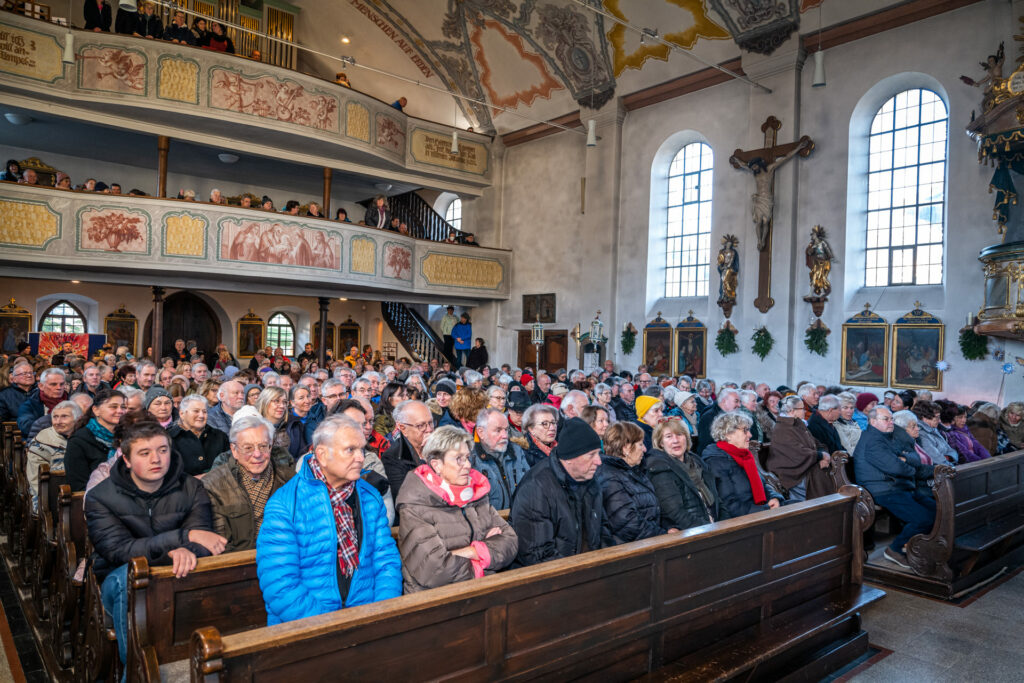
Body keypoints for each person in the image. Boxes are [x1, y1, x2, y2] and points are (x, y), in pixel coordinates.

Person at [86, 419, 223, 669]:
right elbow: (118, 551)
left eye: (162, 450)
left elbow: (205, 538)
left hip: (177, 569)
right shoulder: (100, 496)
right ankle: (137, 671)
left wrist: (185, 546)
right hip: (119, 578)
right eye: (144, 453)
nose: (156, 460)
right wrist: (181, 540)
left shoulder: (191, 487)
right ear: (126, 460)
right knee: (126, 579)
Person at [256, 415, 401, 625]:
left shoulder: (370, 497)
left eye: (362, 449)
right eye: (350, 450)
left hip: (367, 617)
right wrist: (327, 626)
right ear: (322, 455)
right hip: (306, 626)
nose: (361, 457)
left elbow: (386, 561)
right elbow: (280, 585)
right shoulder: (285, 504)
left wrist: (380, 613)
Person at [396, 426, 517, 593]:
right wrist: (485, 551)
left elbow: (510, 541)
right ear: (437, 465)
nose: (467, 465)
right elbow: (435, 570)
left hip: (483, 590)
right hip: (436, 601)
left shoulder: (476, 495)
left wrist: (469, 552)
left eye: (468, 457)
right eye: (458, 459)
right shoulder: (416, 505)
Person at [509, 418, 604, 567]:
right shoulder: (536, 488)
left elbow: (602, 532)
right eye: (591, 455)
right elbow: (537, 554)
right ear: (570, 458)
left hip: (585, 568)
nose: (599, 461)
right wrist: (582, 572)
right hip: (554, 578)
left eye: (598, 453)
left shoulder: (591, 482)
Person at [853, 407, 936, 568]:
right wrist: (908, 466)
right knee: (923, 518)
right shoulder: (872, 441)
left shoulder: (886, 437)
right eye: (886, 419)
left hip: (899, 486)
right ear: (873, 421)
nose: (891, 422)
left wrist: (904, 459)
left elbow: (914, 456)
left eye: (891, 418)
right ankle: (895, 549)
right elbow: (896, 467)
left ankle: (915, 546)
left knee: (936, 510)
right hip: (883, 490)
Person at [202, 414, 293, 552]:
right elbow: (221, 543)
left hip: (284, 557)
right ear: (234, 450)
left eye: (263, 446)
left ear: (271, 447)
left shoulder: (290, 479)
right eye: (248, 448)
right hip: (238, 564)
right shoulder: (213, 485)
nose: (257, 454)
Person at [702, 411, 784, 519]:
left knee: (801, 507)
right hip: (741, 520)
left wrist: (775, 498)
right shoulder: (715, 462)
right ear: (728, 434)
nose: (750, 435)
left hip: (759, 511)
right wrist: (765, 509)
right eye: (745, 430)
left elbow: (763, 486)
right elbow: (730, 505)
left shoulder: (745, 456)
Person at [598, 422, 666, 545]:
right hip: (631, 550)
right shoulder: (610, 477)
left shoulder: (634, 471)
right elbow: (629, 524)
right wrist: (664, 535)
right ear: (626, 448)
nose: (645, 449)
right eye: (640, 444)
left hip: (649, 542)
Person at [646, 420, 719, 530]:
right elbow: (676, 513)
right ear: (661, 443)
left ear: (686, 437)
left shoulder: (697, 461)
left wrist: (723, 523)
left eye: (679, 434)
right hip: (693, 531)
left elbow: (718, 499)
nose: (675, 441)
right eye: (669, 436)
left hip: (714, 524)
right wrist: (709, 528)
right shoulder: (659, 467)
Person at [766, 396, 832, 502]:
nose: (805, 411)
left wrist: (823, 455)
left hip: (806, 466)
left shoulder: (798, 424)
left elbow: (817, 443)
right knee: (821, 480)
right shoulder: (782, 429)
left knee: (828, 475)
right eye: (802, 408)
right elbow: (797, 453)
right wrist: (821, 456)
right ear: (792, 411)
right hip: (792, 473)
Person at [65, 389, 126, 491]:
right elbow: (78, 484)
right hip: (96, 498)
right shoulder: (79, 441)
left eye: (123, 407)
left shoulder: (128, 436)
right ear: (96, 410)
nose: (120, 411)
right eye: (113, 407)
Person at [26, 400, 81, 510]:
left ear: (77, 419)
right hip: (48, 497)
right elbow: (36, 481)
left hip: (81, 492)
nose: (58, 421)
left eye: (64, 416)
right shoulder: (42, 441)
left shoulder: (85, 437)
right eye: (55, 417)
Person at [472, 408, 529, 511]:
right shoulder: (471, 460)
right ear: (481, 432)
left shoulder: (516, 451)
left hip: (522, 517)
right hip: (491, 523)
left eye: (506, 430)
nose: (505, 436)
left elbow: (530, 485)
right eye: (498, 430)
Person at [380, 400, 435, 499]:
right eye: (421, 425)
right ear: (403, 428)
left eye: (430, 423)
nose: (429, 429)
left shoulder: (440, 447)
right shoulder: (393, 457)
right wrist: (425, 463)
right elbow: (403, 497)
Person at [169, 395, 228, 476]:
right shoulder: (170, 438)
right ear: (182, 413)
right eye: (196, 411)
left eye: (204, 411)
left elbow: (230, 466)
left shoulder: (220, 436)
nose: (201, 415)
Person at [17, 367, 67, 437]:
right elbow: (27, 427)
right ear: (41, 386)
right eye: (53, 384)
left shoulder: (71, 402)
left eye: (61, 384)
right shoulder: (29, 405)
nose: (59, 388)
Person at [912, 401, 958, 465]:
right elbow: (936, 460)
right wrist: (950, 462)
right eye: (937, 417)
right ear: (924, 418)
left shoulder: (933, 429)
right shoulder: (921, 435)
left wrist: (948, 457)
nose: (939, 421)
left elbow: (951, 451)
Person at [697, 388, 740, 455]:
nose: (739, 405)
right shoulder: (709, 417)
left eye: (740, 402)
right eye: (736, 401)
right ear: (724, 401)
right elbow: (707, 444)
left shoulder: (731, 416)